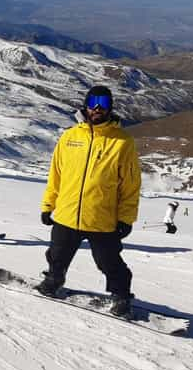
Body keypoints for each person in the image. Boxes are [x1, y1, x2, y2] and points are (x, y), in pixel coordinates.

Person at [37, 85, 141, 317]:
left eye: (103, 103)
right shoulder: (70, 137)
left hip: (102, 216)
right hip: (66, 213)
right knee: (57, 254)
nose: (97, 108)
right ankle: (54, 279)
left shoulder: (122, 142)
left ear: (110, 107)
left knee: (109, 262)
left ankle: (121, 295)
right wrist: (48, 205)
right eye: (93, 102)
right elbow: (56, 174)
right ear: (85, 105)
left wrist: (126, 218)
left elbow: (130, 186)